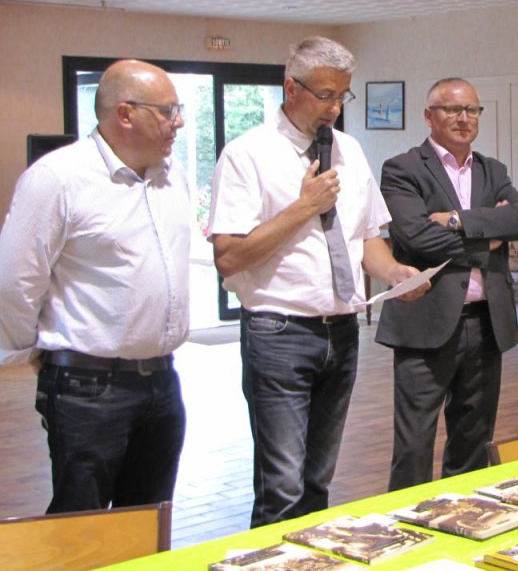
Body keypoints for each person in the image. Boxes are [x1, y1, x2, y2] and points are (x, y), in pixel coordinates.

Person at [207, 36, 426, 526]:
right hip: (278, 331)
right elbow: (229, 256)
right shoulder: (248, 154)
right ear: (291, 87)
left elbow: (366, 237)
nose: (333, 108)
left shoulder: (348, 150)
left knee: (317, 480)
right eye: (324, 94)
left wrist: (395, 273)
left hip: (343, 331)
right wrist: (304, 207)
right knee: (282, 485)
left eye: (341, 96)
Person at [0, 60, 190, 513]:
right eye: (167, 110)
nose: (178, 121)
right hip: (86, 387)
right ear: (125, 114)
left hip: (163, 380)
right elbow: (14, 281)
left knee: (147, 521)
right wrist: (34, 353)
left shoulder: (172, 174)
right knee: (80, 527)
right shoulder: (58, 178)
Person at [376, 77, 518, 490]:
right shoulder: (403, 169)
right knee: (414, 445)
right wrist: (490, 235)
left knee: (474, 438)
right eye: (451, 109)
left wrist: (458, 220)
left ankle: (463, 516)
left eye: (472, 110)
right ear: (429, 116)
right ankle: (404, 526)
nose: (463, 118)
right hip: (425, 322)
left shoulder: (491, 169)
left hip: (486, 323)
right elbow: (415, 237)